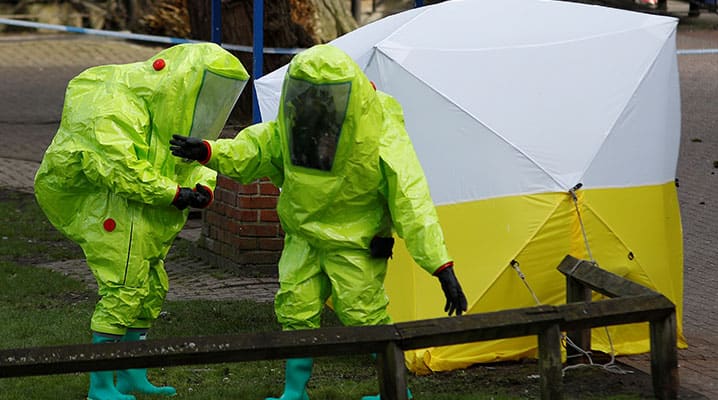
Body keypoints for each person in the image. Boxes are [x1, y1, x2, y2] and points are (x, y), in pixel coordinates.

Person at [170, 43, 467, 400]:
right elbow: (259, 147)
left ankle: (395, 391)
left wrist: (440, 265)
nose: (316, 102)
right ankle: (294, 391)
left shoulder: (380, 130)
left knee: (364, 314)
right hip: (304, 237)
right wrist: (210, 151)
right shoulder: (298, 121)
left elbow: (410, 196)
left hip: (355, 242)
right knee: (296, 310)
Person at [34, 43, 249, 400]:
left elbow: (189, 157)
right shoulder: (111, 104)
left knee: (149, 289)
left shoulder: (170, 108)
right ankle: (101, 386)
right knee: (123, 288)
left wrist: (201, 187)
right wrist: (176, 194)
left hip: (147, 207)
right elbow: (120, 169)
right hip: (111, 205)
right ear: (183, 79)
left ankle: (132, 375)